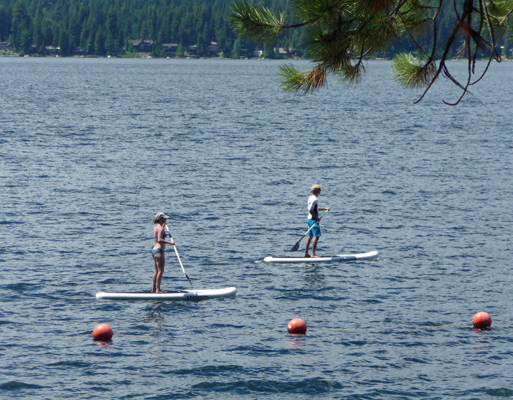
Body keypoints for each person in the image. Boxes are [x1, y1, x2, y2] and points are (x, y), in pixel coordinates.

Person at [304, 184, 330, 258]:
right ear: (315, 190)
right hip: (313, 220)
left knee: (310, 236)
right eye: (319, 189)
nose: (320, 190)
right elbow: (310, 210)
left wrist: (325, 209)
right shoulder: (314, 199)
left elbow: (315, 209)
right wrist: (316, 218)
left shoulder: (311, 197)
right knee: (316, 236)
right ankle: (313, 254)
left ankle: (306, 253)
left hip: (309, 219)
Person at [152, 212, 175, 293]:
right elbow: (159, 240)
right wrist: (170, 243)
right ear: (160, 219)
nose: (166, 219)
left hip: (154, 250)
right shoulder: (161, 228)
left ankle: (154, 289)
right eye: (164, 218)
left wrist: (163, 226)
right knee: (161, 271)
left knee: (156, 271)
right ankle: (158, 289)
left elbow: (159, 233)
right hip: (159, 251)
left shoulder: (156, 227)